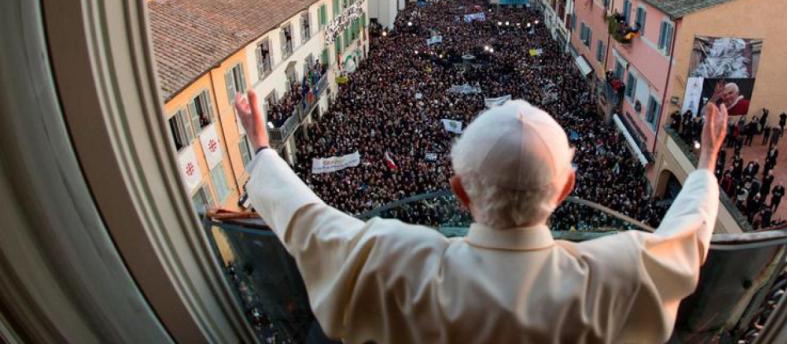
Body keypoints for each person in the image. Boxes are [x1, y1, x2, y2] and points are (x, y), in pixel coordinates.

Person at [236, 90, 729, 343]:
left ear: (459, 193)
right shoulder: (619, 272)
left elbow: (308, 222)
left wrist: (263, 149)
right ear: (567, 190)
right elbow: (687, 237)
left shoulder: (394, 262)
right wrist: (704, 166)